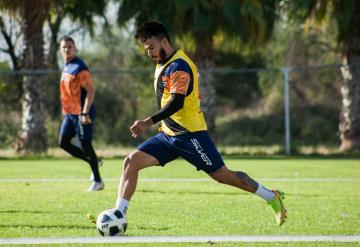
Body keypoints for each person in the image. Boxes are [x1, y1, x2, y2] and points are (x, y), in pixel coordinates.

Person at [114, 21, 286, 226]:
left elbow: (176, 102)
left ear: (164, 41)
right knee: (130, 162)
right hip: (168, 135)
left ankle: (271, 197)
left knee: (222, 176)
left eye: (151, 47)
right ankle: (118, 215)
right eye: (146, 49)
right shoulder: (163, 64)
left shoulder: (179, 65)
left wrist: (147, 122)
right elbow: (177, 92)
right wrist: (193, 94)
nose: (149, 53)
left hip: (190, 135)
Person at [58, 35, 104, 191]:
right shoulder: (66, 66)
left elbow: (91, 91)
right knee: (63, 143)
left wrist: (84, 113)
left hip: (82, 113)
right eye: (63, 47)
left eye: (69, 46)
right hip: (70, 114)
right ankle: (94, 162)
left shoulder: (80, 67)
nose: (66, 49)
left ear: (75, 48)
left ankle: (98, 181)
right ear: (60, 50)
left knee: (86, 144)